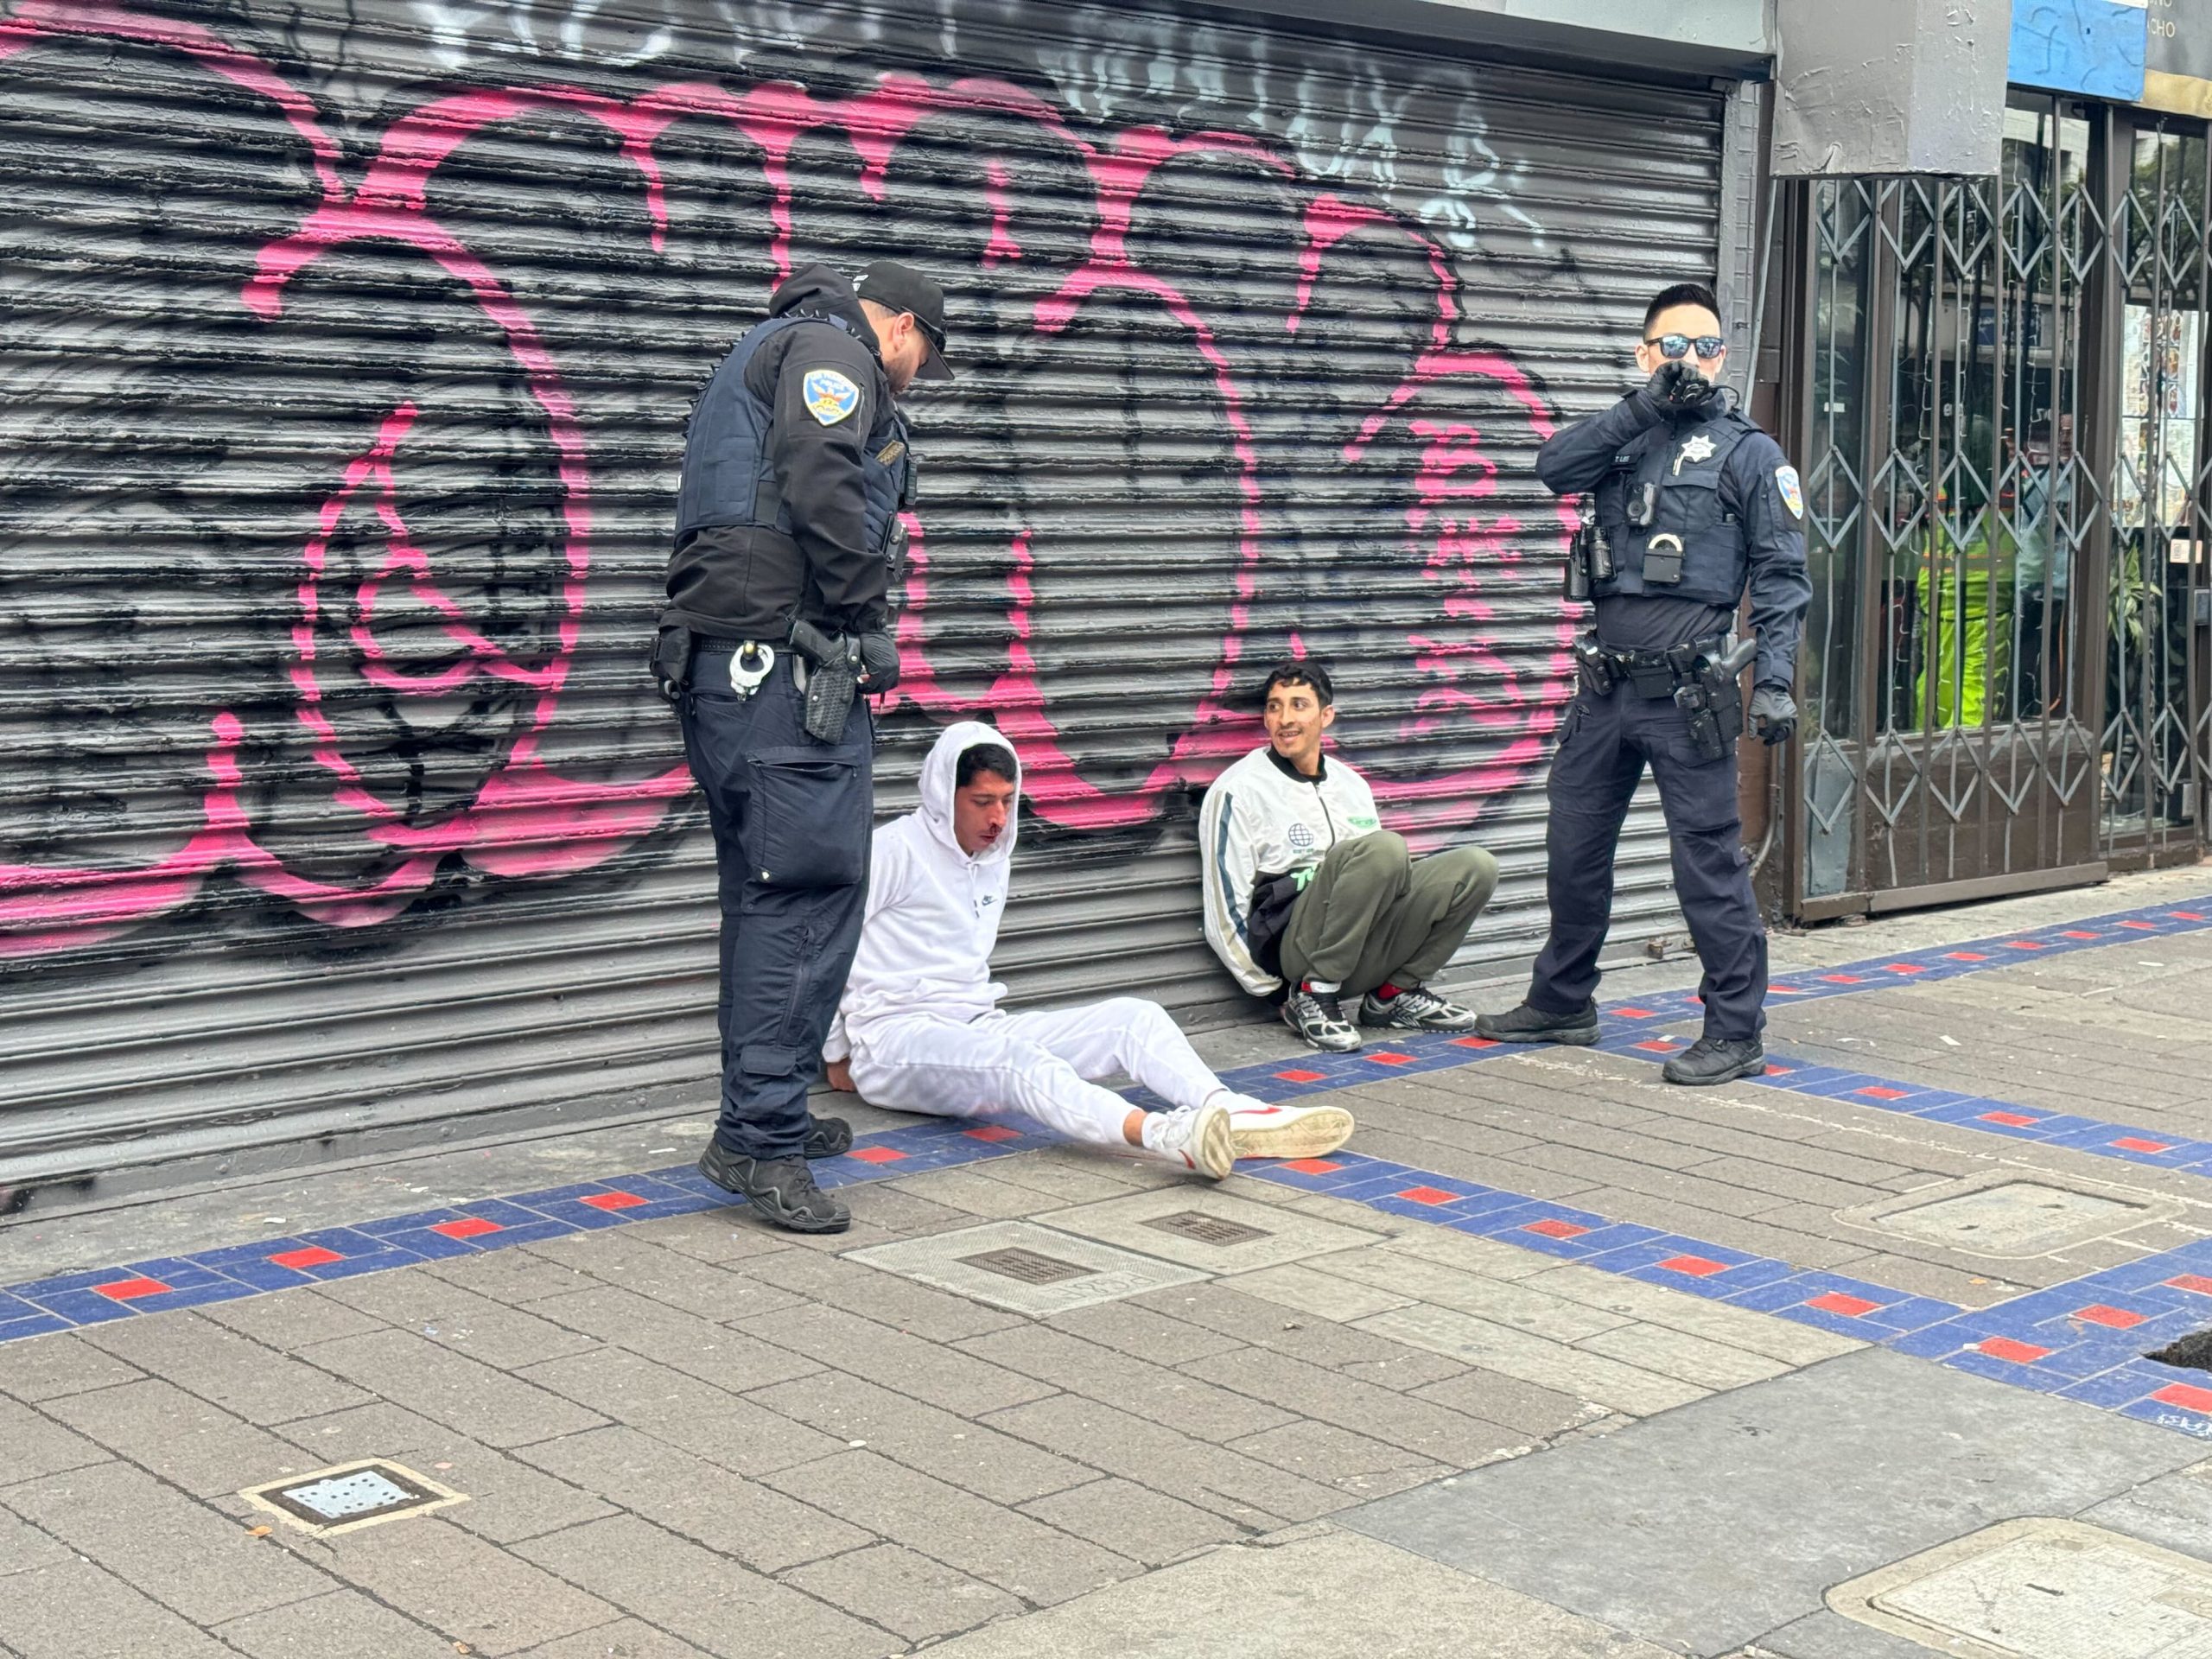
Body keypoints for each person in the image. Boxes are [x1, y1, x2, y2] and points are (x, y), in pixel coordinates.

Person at [651, 259, 951, 1234]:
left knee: (765, 896)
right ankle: (760, 1141)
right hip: (778, 674)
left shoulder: (763, 347)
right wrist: (865, 609)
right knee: (807, 898)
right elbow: (823, 479)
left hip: (730, 670)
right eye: (921, 360)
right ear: (901, 328)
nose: (909, 379)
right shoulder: (832, 351)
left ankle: (758, 1112)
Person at [1476, 281, 1810, 1085]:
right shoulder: (1621, 439)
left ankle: (1736, 1029)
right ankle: (1563, 1001)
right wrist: (1641, 407)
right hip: (1604, 692)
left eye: (1701, 346)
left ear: (1723, 355)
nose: (1686, 360)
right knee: (1573, 846)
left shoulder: (1751, 454)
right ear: (1643, 353)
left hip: (1687, 693)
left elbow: (1782, 575)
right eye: (1670, 346)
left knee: (1706, 863)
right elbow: (1551, 467)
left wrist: (1775, 680)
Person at [823, 723, 1355, 1179]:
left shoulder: (992, 857)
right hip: (896, 1040)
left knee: (1134, 1018)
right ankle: (1168, 1136)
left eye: (1007, 801)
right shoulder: (893, 851)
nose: (998, 818)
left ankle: (1229, 1112)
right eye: (982, 802)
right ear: (944, 794)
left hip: (974, 1024)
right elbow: (825, 942)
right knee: (1019, 1063)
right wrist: (835, 1050)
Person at [1199, 662, 1501, 1052]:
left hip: (1356, 948)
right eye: (1274, 707)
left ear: (1326, 716)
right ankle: (1315, 996)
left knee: (1476, 867)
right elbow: (1224, 911)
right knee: (1386, 848)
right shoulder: (1238, 790)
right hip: (1294, 953)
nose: (1284, 719)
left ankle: (1393, 995)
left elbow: (1383, 883)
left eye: (1298, 705)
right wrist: (1275, 994)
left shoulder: (1351, 784)